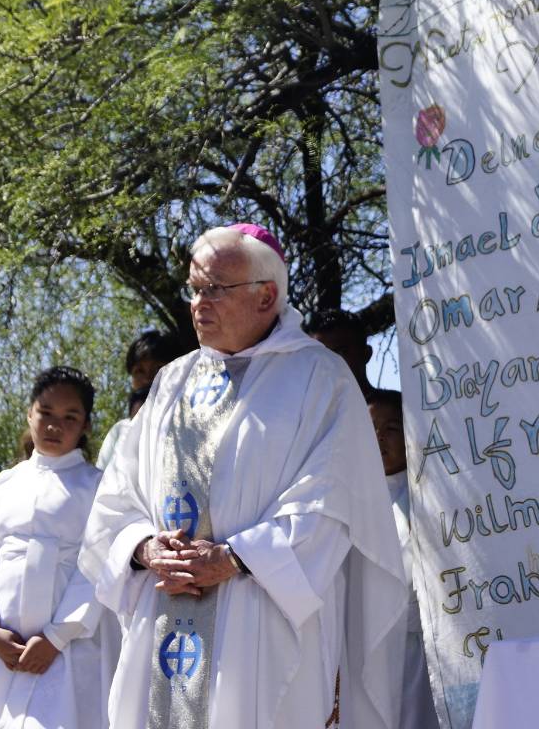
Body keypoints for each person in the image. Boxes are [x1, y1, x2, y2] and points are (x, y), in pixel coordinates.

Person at [79, 223, 407, 729]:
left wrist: (234, 558)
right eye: (194, 289)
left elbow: (331, 501)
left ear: (266, 296)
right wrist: (145, 549)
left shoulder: (319, 377)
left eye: (215, 289)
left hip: (262, 616)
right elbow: (118, 495)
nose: (198, 303)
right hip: (166, 605)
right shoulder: (171, 381)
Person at [0, 366, 119, 729]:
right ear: (29, 413)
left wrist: (56, 636)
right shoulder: (1, 487)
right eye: (45, 413)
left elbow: (99, 564)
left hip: (71, 649)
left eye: (69, 417)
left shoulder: (100, 489)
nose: (53, 425)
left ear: (86, 425)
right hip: (5, 653)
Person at [367, 389, 438, 729]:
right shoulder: (352, 498)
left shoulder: (430, 494)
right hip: (366, 642)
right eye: (371, 428)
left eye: (391, 428)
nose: (379, 438)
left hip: (419, 645)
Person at [96, 331, 182, 471]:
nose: (148, 378)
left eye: (158, 369)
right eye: (139, 371)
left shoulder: (191, 425)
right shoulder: (119, 431)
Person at [305, 308, 388, 398]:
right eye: (320, 356)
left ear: (366, 354)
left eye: (341, 352)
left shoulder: (392, 409)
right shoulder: (306, 410)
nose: (329, 363)